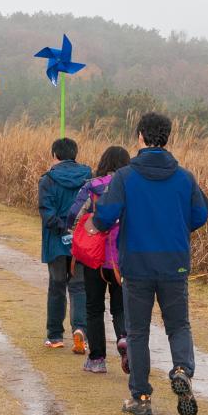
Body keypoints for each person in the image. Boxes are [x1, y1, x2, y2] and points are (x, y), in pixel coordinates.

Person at [92, 112, 208, 415]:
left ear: (140, 136)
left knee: (138, 331)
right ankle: (182, 369)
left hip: (137, 263)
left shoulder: (125, 177)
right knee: (178, 325)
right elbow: (199, 215)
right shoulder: (184, 177)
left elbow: (105, 215)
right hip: (174, 263)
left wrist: (95, 224)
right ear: (167, 137)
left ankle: (141, 396)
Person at [66, 145, 131, 374]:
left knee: (94, 307)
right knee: (120, 306)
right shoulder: (129, 186)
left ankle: (97, 359)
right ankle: (124, 338)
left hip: (93, 255)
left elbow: (73, 215)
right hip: (121, 256)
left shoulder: (91, 186)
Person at [38, 137, 91, 351]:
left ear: (55, 156)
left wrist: (62, 227)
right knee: (79, 287)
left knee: (56, 287)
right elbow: (92, 208)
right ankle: (80, 331)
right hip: (81, 242)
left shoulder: (48, 180)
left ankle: (55, 336)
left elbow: (46, 212)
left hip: (56, 242)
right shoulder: (88, 176)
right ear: (75, 154)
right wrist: (77, 229)